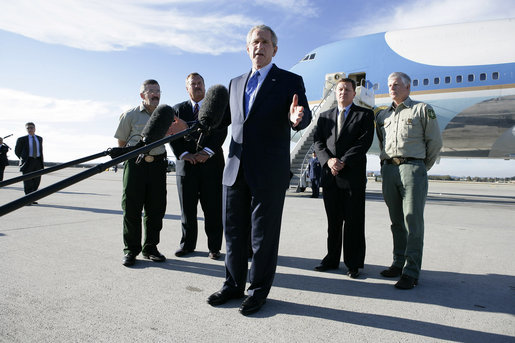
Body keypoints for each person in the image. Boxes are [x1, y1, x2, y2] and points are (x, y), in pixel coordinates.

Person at [207, 25, 312, 315]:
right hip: (235, 169)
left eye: (265, 42)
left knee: (263, 237)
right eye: (254, 42)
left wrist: (296, 119)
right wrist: (196, 137)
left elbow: (302, 116)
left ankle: (257, 291)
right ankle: (232, 285)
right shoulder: (235, 82)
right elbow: (222, 124)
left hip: (268, 172)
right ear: (247, 47)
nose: (259, 46)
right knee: (235, 233)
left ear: (274, 49)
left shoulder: (290, 80)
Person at [376, 72, 442, 289]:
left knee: (412, 220)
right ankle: (398, 263)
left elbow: (434, 143)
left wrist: (421, 166)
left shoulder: (422, 110)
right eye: (389, 85)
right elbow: (381, 141)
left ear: (408, 87)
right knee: (396, 221)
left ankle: (411, 272)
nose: (392, 88)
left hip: (413, 168)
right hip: (389, 170)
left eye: (396, 84)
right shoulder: (383, 116)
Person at [114, 79, 186, 267]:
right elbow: (121, 143)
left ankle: (151, 248)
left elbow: (177, 133)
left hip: (158, 167)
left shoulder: (166, 116)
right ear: (142, 95)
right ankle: (131, 250)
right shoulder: (130, 115)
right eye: (150, 90)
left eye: (158, 90)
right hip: (135, 165)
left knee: (156, 209)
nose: (155, 94)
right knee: (131, 208)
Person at [312, 78, 375, 278]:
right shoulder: (324, 117)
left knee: (354, 222)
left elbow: (363, 142)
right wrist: (328, 161)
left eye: (347, 89)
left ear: (354, 93)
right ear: (335, 92)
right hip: (330, 176)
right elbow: (318, 142)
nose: (342, 92)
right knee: (334, 222)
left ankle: (353, 263)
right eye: (339, 89)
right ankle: (331, 259)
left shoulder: (364, 115)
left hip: (352, 177)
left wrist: (343, 162)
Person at [170, 73, 227, 260]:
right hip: (187, 167)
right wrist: (186, 155)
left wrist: (207, 152)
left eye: (200, 83)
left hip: (212, 166)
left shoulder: (218, 107)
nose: (197, 86)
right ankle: (187, 245)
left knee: (213, 209)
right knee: (187, 209)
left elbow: (221, 132)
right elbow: (173, 135)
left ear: (205, 85)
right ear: (187, 88)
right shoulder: (178, 109)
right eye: (192, 84)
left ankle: (214, 247)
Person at [15, 122, 44, 200]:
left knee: (36, 180)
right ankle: (28, 199)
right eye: (28, 128)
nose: (30, 129)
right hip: (28, 162)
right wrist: (24, 158)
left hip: (37, 161)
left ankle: (33, 198)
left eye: (31, 128)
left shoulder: (39, 138)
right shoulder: (22, 139)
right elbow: (17, 151)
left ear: (35, 129)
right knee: (28, 181)